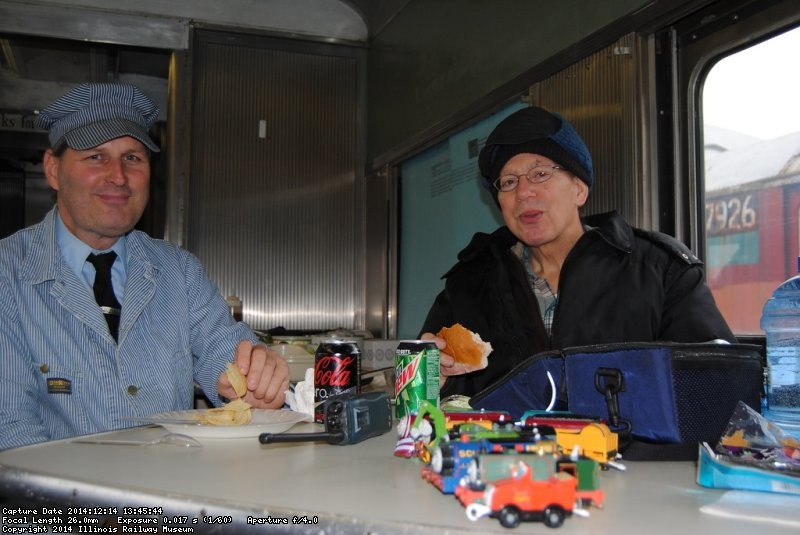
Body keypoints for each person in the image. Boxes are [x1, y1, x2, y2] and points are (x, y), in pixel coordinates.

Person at [0, 83, 289, 451]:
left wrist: (255, 385)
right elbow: (9, 431)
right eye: (96, 157)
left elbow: (225, 356)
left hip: (173, 501)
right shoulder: (7, 275)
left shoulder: (179, 271)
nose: (118, 176)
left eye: (133, 158)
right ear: (53, 170)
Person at [420, 106, 735, 399]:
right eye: (508, 182)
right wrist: (432, 382)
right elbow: (434, 400)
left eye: (541, 174)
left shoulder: (658, 270)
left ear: (579, 189)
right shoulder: (468, 284)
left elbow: (718, 387)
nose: (523, 192)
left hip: (631, 457)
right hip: (502, 458)